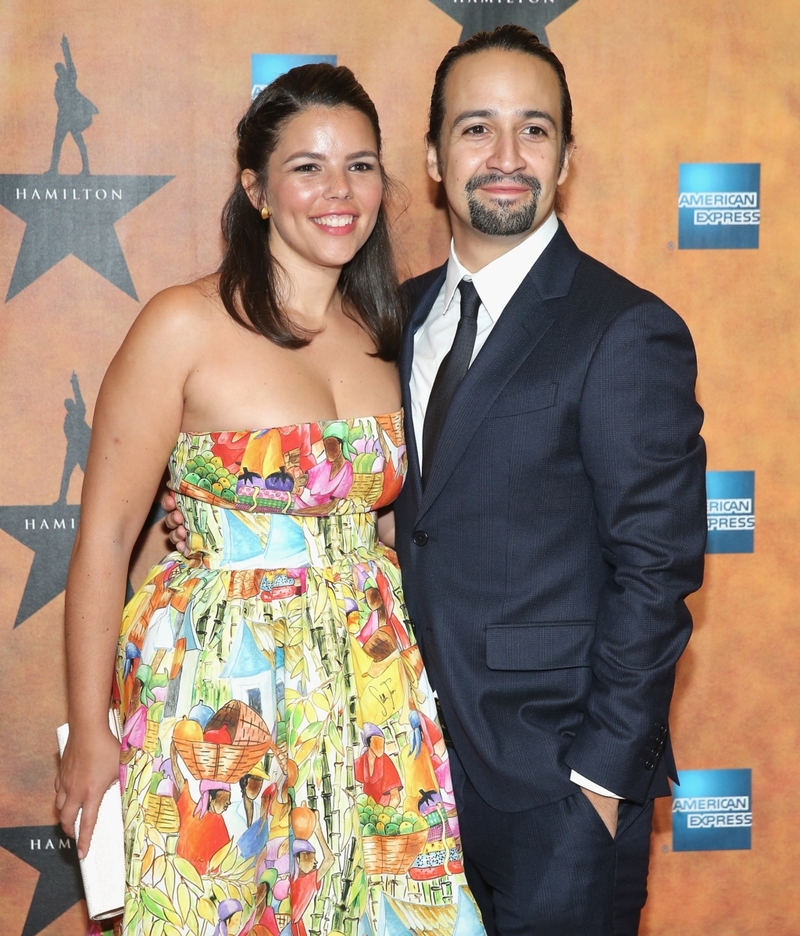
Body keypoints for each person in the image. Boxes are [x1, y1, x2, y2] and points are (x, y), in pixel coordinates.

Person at [163, 28, 706, 935]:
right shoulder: (388, 317)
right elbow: (373, 505)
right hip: (393, 777)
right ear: (431, 159)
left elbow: (659, 571)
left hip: (556, 795)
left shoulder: (627, 330)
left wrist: (600, 783)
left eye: (533, 131)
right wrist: (223, 516)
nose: (504, 158)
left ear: (566, 158)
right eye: (475, 129)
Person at [55, 63, 485, 936]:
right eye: (308, 167)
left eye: (362, 165)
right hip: (221, 695)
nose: (340, 192)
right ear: (255, 188)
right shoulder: (182, 324)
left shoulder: (387, 335)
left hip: (370, 694)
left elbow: (399, 522)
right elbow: (102, 540)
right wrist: (89, 728)